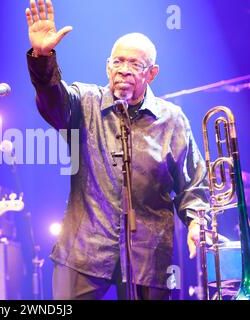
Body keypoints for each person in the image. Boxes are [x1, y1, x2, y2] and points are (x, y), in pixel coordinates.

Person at [25, 0, 209, 300]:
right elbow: (51, 101)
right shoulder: (84, 102)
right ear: (107, 66)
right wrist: (43, 57)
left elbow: (192, 183)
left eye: (135, 64)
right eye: (117, 62)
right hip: (83, 250)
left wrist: (196, 221)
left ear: (152, 74)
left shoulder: (172, 119)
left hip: (148, 255)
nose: (123, 70)